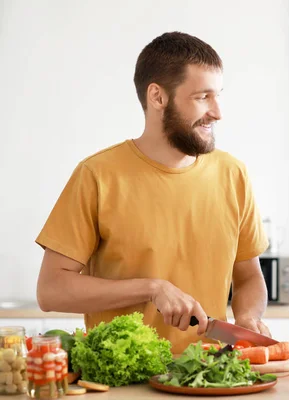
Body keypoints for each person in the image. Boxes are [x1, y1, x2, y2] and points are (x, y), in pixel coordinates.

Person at [35, 32, 270, 354]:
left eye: (218, 95)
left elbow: (248, 278)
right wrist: (151, 288)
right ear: (158, 97)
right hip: (124, 379)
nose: (217, 112)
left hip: (209, 373)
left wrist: (247, 316)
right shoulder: (97, 175)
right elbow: (51, 291)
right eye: (203, 97)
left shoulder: (233, 174)